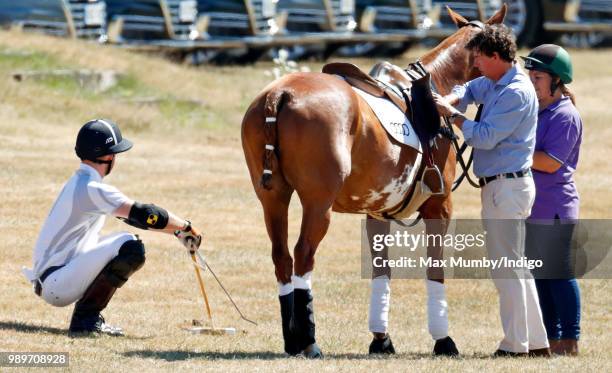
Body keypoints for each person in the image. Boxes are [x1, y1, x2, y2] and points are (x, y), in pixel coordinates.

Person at [433, 24, 550, 357]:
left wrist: (451, 114)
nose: (477, 64)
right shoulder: (498, 81)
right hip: (504, 186)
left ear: (497, 57)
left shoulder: (515, 92)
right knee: (517, 268)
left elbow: (483, 136)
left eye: (481, 58)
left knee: (506, 270)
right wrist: (454, 97)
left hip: (506, 188)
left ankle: (515, 345)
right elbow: (471, 87)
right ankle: (537, 342)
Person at [22, 119, 202, 336]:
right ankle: (85, 321)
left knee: (125, 240)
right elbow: (145, 214)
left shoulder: (80, 182)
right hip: (58, 283)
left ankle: (87, 318)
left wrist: (175, 232)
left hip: (55, 277)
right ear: (109, 157)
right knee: (131, 247)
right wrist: (186, 227)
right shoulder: (92, 188)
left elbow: (132, 218)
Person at [522, 44, 582, 356]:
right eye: (530, 76)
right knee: (540, 276)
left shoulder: (565, 116)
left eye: (538, 77)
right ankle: (550, 337)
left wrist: (514, 154)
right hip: (535, 206)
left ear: (556, 81)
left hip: (555, 206)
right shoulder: (536, 111)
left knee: (557, 273)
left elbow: (549, 162)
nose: (532, 82)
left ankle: (569, 340)